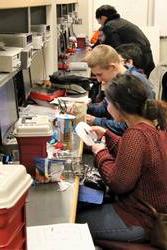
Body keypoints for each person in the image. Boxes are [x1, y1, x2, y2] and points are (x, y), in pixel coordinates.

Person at [77, 74, 167, 242]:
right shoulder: (151, 125)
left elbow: (118, 183)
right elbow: (134, 156)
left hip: (142, 220)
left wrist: (100, 153)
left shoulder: (136, 134)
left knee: (77, 222)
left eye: (108, 102)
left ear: (117, 106)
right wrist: (107, 134)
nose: (107, 106)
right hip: (148, 211)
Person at [86, 44, 155, 135]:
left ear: (112, 67)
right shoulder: (117, 81)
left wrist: (95, 121)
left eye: (100, 74)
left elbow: (126, 127)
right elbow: (105, 108)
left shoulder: (131, 84)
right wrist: (85, 107)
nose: (98, 80)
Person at [95, 5, 155, 77]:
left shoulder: (109, 26)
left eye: (98, 20)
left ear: (103, 17)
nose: (99, 23)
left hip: (135, 60)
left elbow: (114, 50)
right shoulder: (122, 22)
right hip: (146, 56)